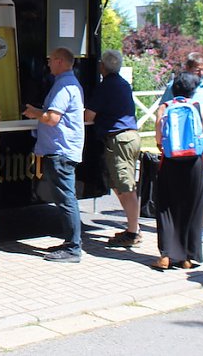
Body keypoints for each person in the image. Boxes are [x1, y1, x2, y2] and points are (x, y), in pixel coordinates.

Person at [23, 47, 85, 263]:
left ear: (59, 61)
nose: (48, 64)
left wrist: (34, 113)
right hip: (61, 149)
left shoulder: (64, 86)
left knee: (66, 199)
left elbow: (52, 118)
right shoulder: (67, 83)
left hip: (61, 150)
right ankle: (70, 242)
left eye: (50, 60)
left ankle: (73, 248)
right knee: (65, 198)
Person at [160, 52, 203, 244]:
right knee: (181, 184)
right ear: (188, 68)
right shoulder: (175, 86)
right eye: (198, 70)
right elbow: (163, 109)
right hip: (179, 143)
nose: (202, 73)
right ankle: (183, 224)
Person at [151, 72, 203, 271]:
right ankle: (189, 257)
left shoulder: (164, 108)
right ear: (193, 90)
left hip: (170, 163)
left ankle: (166, 255)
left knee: (166, 208)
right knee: (192, 208)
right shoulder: (199, 107)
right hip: (195, 164)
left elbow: (158, 139)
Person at [84, 49, 142, 248]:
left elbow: (88, 116)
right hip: (128, 138)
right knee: (119, 185)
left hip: (119, 140)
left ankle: (133, 233)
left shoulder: (106, 86)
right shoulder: (123, 84)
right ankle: (133, 228)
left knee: (126, 187)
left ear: (102, 66)